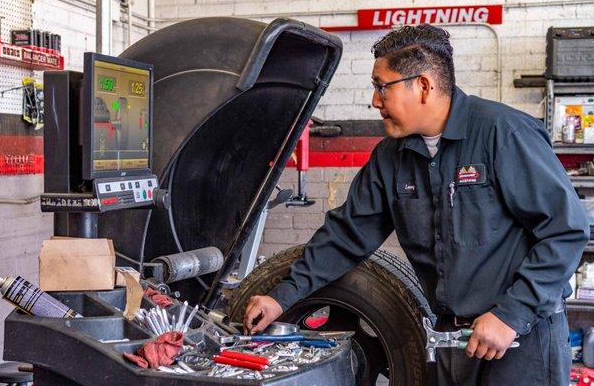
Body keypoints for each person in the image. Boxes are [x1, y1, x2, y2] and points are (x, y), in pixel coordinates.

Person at [243, 24, 589, 385]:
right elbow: (346, 235)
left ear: (423, 86)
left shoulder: (504, 134)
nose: (375, 101)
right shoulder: (391, 157)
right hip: (451, 341)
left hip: (520, 340)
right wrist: (282, 297)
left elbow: (566, 231)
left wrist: (511, 314)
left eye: (382, 87)